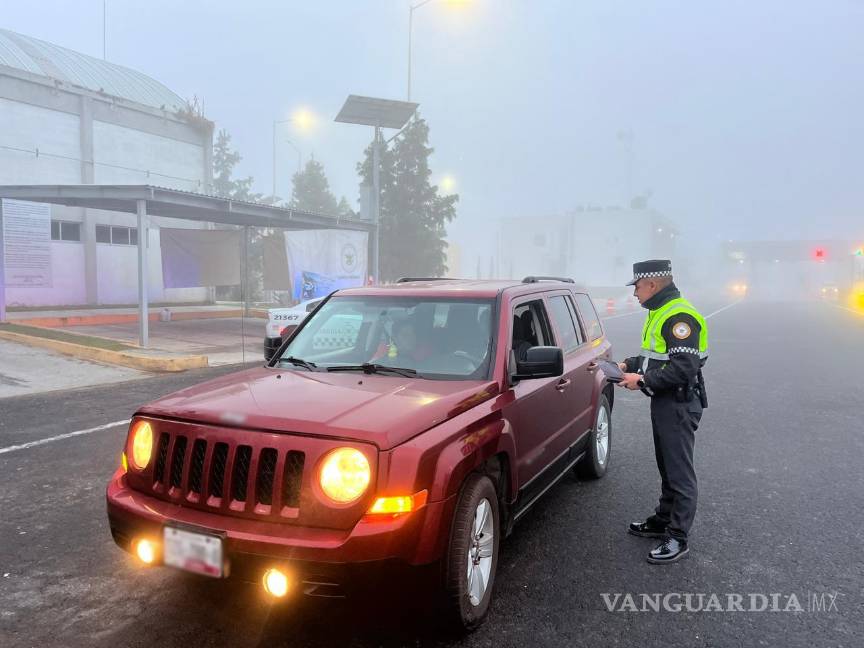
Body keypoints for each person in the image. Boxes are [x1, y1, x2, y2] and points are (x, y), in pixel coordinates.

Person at [616, 259, 709, 564]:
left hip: (679, 403)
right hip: (666, 401)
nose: (635, 294)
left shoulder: (679, 316)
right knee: (667, 466)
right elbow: (656, 357)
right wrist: (628, 365)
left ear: (653, 285)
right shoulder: (660, 312)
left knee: (680, 472)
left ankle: (678, 536)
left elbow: (684, 367)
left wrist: (641, 380)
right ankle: (662, 520)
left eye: (638, 287)